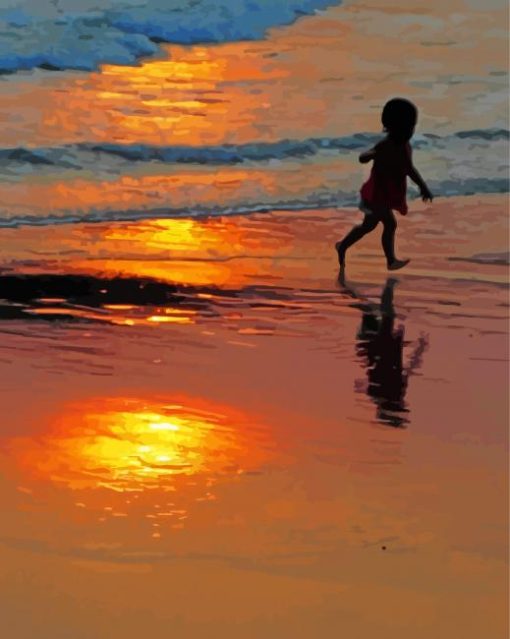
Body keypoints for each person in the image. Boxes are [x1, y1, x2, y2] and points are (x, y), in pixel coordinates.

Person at [336, 98, 433, 271]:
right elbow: (363, 157)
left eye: (412, 127)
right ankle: (390, 261)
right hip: (376, 195)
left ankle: (342, 246)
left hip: (384, 194)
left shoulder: (404, 146)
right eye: (408, 128)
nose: (410, 131)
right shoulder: (385, 145)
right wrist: (371, 154)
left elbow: (409, 169)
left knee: (368, 226)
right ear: (393, 127)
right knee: (389, 224)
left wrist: (422, 187)